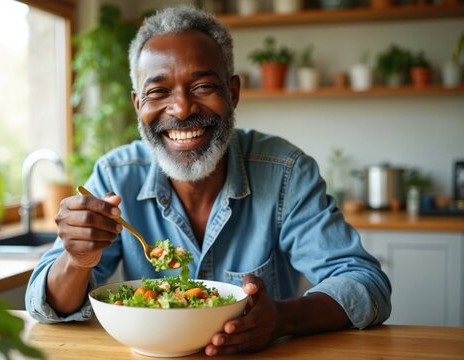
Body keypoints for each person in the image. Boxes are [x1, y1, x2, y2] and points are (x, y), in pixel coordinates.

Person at [26, 5, 391, 356]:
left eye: (202, 86)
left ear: (232, 93)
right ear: (138, 105)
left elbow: (366, 284)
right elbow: (45, 306)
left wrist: (281, 318)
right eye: (159, 91)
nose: (182, 108)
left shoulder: (285, 171)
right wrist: (77, 261)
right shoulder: (115, 175)